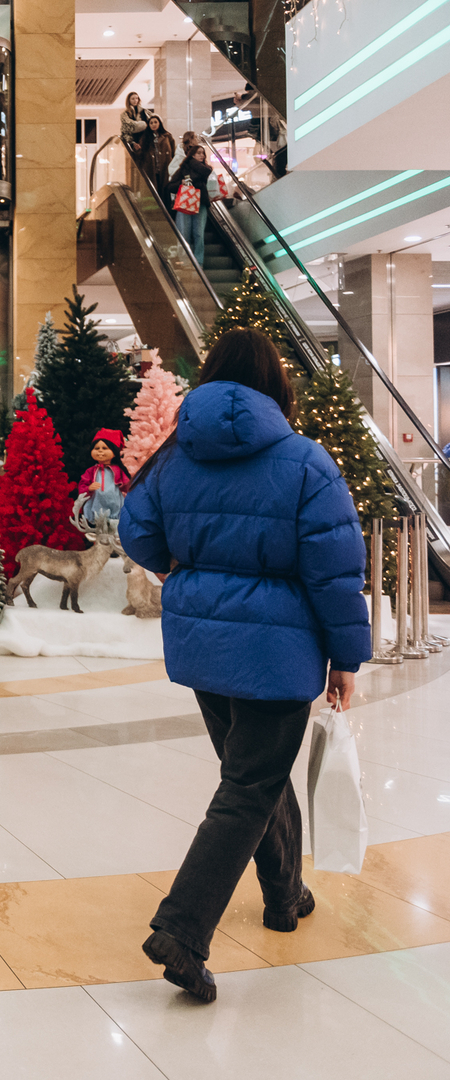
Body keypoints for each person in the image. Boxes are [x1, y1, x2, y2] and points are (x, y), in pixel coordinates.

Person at [120, 328, 369, 1004]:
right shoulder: (305, 461)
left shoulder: (177, 454)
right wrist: (345, 655)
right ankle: (181, 930)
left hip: (202, 643)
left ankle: (285, 893)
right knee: (250, 785)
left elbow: (135, 528)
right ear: (275, 384)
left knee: (254, 774)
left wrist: (178, 565)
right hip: (279, 650)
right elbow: (334, 569)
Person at [166, 143, 213, 259]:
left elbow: (202, 176)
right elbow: (170, 187)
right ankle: (185, 261)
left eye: (203, 153)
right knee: (184, 233)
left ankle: (198, 262)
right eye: (199, 153)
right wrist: (181, 183)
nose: (202, 155)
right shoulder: (184, 169)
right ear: (192, 155)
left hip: (201, 203)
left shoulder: (205, 169)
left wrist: (192, 168)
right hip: (185, 203)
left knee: (199, 234)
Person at [138, 114, 175, 192]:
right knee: (152, 189)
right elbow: (141, 153)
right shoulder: (145, 138)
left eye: (155, 122)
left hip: (165, 166)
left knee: (164, 190)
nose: (153, 124)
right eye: (151, 123)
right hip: (150, 167)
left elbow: (173, 151)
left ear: (159, 123)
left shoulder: (167, 136)